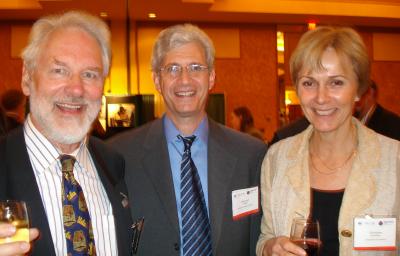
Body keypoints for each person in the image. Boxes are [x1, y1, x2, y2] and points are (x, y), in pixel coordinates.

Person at [109, 23, 267, 255]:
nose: (185, 80)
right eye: (172, 68)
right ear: (156, 80)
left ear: (211, 77)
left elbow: (259, 238)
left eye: (196, 67)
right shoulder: (119, 156)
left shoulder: (251, 155)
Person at [257, 26, 399, 256]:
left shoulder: (395, 161)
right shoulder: (276, 158)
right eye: (309, 83)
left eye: (336, 83)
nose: (321, 98)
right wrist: (268, 248)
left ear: (358, 90)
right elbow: (266, 235)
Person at [0, 11, 132, 255]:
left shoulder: (113, 164)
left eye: (90, 74)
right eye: (59, 70)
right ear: (27, 78)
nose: (75, 89)